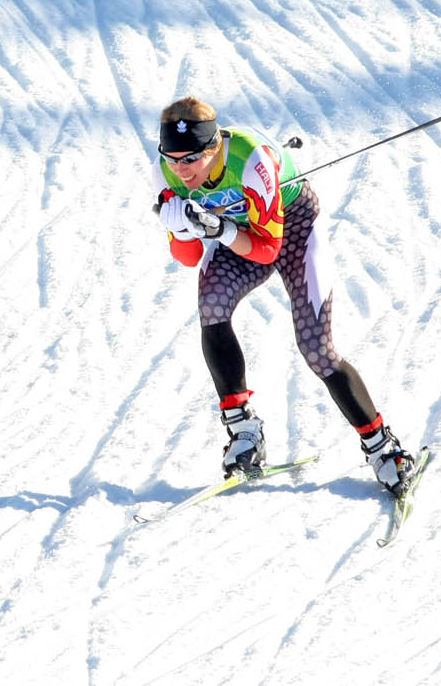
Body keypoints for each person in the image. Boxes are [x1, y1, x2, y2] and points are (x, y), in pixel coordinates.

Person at [150, 96, 416, 497]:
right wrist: (185, 230)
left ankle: (384, 449)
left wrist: (217, 230)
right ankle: (244, 432)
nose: (179, 169)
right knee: (211, 306)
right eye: (170, 158)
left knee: (316, 348)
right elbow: (188, 258)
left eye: (189, 159)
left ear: (212, 148)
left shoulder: (250, 160)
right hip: (234, 232)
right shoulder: (166, 173)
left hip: (290, 230)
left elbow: (267, 250)